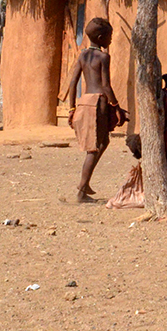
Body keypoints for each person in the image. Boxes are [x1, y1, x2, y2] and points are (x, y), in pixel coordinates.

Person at [60, 18, 126, 203]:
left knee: (102, 142)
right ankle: (82, 188)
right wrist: (116, 106)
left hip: (85, 101)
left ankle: (84, 185)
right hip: (99, 103)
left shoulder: (83, 56)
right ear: (101, 37)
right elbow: (106, 85)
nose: (111, 40)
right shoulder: (104, 57)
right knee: (95, 147)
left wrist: (72, 108)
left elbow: (73, 83)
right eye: (110, 36)